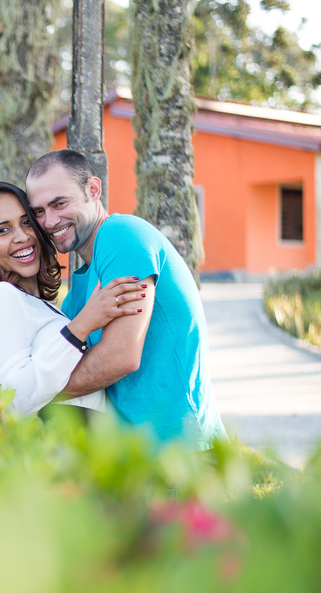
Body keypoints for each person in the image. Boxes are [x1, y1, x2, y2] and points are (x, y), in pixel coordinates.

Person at [24, 149, 226, 450]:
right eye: (38, 212)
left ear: (93, 190)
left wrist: (33, 391)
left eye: (59, 203)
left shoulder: (122, 235)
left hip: (181, 455)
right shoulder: (77, 294)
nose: (49, 221)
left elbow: (121, 356)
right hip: (133, 458)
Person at [0, 181, 148, 417]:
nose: (22, 236)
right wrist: (83, 324)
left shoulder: (33, 304)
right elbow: (13, 399)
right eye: (3, 230)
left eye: (26, 222)